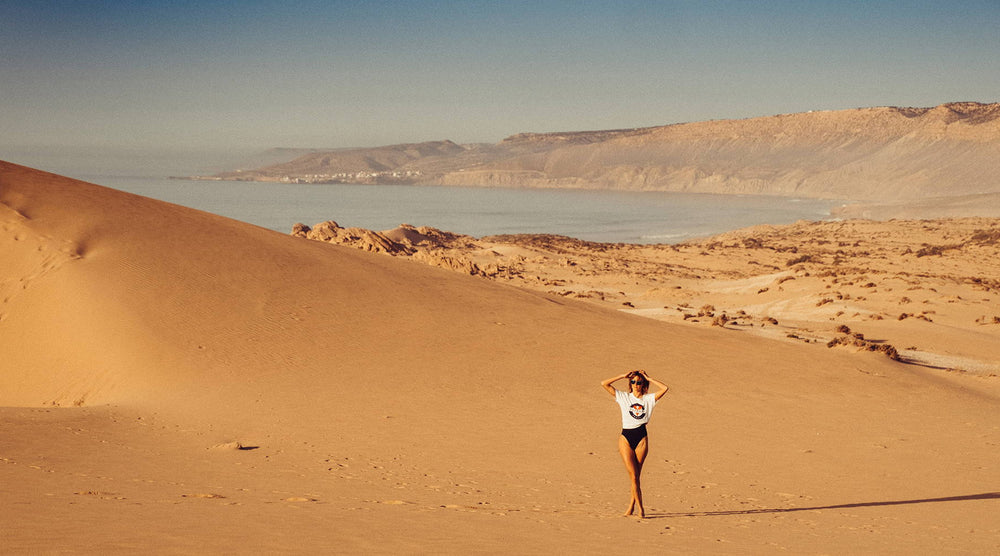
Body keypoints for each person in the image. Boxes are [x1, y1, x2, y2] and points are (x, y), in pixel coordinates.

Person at [601, 370, 669, 518]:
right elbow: (604, 384)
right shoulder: (624, 397)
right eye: (633, 382)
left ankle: (631, 506)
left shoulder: (648, 399)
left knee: (636, 476)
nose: (636, 385)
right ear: (630, 384)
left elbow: (665, 388)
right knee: (633, 476)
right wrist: (621, 376)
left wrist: (649, 378)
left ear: (643, 384)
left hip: (641, 437)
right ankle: (640, 509)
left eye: (639, 382)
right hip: (626, 437)